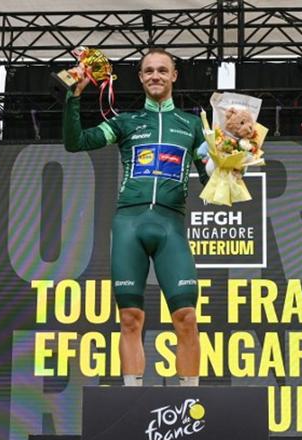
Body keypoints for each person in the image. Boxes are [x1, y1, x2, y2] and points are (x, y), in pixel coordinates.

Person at [63, 47, 208, 387]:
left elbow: (214, 176)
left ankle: (191, 400)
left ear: (174, 76)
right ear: (141, 78)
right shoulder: (125, 122)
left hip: (171, 226)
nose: (155, 75)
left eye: (162, 70)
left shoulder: (192, 126)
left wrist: (235, 157)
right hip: (129, 224)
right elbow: (76, 142)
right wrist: (73, 97)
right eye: (149, 71)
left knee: (186, 317)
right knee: (129, 317)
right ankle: (132, 397)